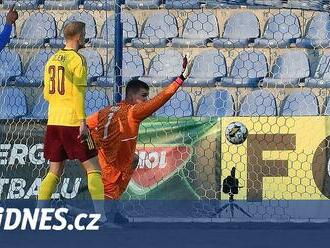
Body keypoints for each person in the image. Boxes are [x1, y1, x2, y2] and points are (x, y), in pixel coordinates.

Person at [87, 55, 193, 203]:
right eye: (143, 96)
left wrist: (92, 147)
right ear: (131, 96)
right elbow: (160, 99)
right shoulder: (133, 112)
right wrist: (180, 78)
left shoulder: (106, 110)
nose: (146, 100)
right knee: (105, 212)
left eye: (147, 96)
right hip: (109, 166)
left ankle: (112, 208)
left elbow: (85, 125)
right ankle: (79, 213)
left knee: (134, 159)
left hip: (115, 160)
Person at [38, 21, 107, 224]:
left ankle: (39, 214)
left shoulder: (52, 59)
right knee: (94, 169)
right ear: (78, 37)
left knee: (54, 172)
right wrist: (82, 121)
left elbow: (46, 93)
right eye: (84, 34)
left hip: (54, 121)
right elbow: (78, 93)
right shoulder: (78, 60)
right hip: (72, 122)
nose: (85, 37)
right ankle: (101, 216)